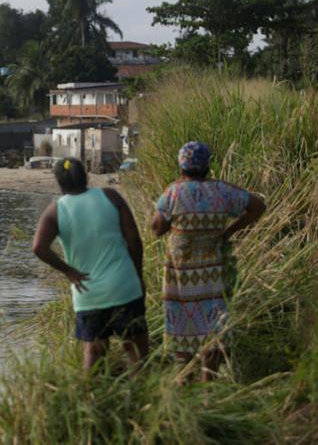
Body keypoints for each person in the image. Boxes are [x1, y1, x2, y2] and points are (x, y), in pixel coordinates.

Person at [151, 141, 265, 382]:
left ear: (181, 165)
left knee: (182, 321)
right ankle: (208, 382)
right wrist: (229, 231)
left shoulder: (174, 191)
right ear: (207, 165)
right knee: (214, 322)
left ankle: (183, 377)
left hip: (181, 273)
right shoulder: (222, 191)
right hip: (213, 272)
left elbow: (157, 228)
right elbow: (257, 206)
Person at [32, 157, 148, 371]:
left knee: (94, 354)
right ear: (86, 176)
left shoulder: (55, 210)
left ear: (59, 182)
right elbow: (134, 240)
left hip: (88, 291)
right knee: (135, 351)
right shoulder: (110, 196)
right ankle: (142, 400)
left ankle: (88, 399)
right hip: (124, 286)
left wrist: (69, 272)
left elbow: (39, 247)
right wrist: (137, 276)